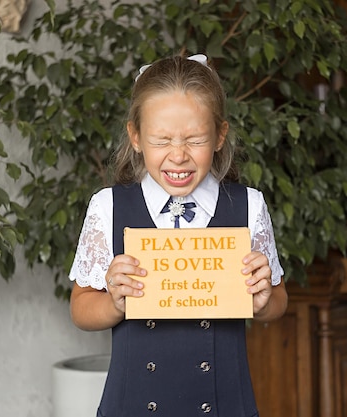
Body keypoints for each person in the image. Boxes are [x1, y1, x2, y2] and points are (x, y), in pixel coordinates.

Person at [69, 53, 288, 417]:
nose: (178, 155)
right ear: (135, 137)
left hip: (224, 406)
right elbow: (80, 307)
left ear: (219, 135)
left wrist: (263, 302)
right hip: (133, 406)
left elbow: (279, 299)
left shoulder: (248, 206)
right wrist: (114, 303)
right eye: (161, 140)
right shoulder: (107, 207)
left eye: (195, 139)